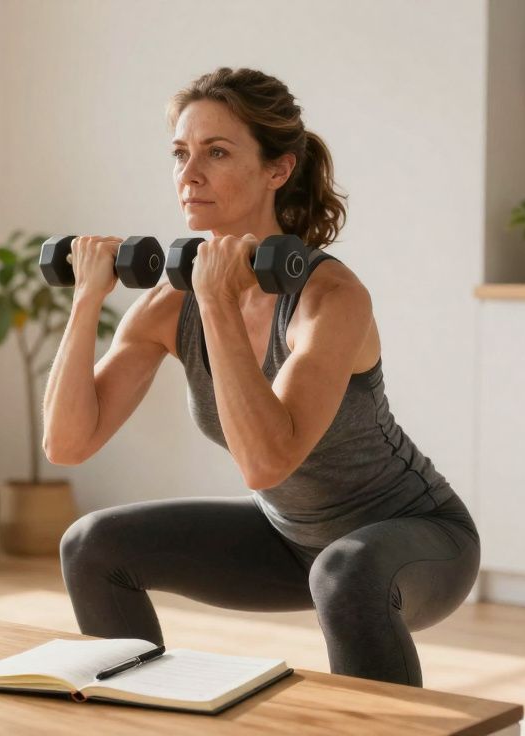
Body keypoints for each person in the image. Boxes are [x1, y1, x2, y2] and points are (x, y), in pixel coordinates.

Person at [42, 67, 479, 688]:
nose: (189, 175)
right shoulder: (172, 301)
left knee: (345, 574)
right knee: (93, 545)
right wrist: (87, 300)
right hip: (290, 540)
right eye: (180, 153)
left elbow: (266, 462)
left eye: (216, 153)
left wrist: (217, 302)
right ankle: (138, 714)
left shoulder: (330, 296)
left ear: (278, 169)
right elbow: (68, 443)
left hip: (417, 539)